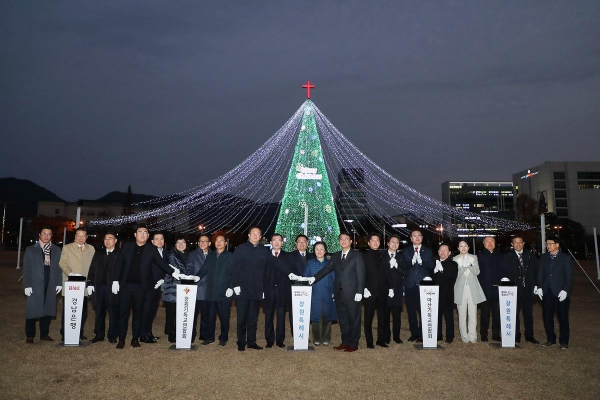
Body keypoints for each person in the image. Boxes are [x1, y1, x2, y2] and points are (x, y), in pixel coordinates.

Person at [231, 226, 297, 351]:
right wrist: (235, 285)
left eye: (258, 234)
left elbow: (276, 263)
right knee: (241, 318)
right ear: (249, 235)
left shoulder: (263, 251)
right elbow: (234, 268)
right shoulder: (240, 249)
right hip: (242, 289)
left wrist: (289, 273)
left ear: (260, 237)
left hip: (256, 290)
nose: (255, 235)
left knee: (253, 318)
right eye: (253, 233)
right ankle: (241, 342)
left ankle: (251, 341)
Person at [112, 225, 177, 349]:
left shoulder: (151, 249)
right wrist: (115, 281)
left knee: (138, 314)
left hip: (141, 288)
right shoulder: (127, 247)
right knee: (123, 314)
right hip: (125, 287)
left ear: (148, 236)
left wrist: (174, 273)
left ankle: (135, 339)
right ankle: (121, 340)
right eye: (140, 232)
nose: (142, 234)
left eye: (145, 232)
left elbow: (162, 263)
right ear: (135, 235)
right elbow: (119, 264)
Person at [309, 232, 366, 352]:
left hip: (352, 294)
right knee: (343, 319)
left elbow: (361, 275)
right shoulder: (335, 256)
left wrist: (359, 292)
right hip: (339, 294)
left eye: (346, 239)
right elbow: (326, 269)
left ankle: (353, 343)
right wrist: (314, 278)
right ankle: (345, 341)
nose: (343, 241)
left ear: (350, 241)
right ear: (339, 242)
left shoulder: (357, 256)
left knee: (354, 319)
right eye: (341, 239)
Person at [22, 226, 63, 343]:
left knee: (47, 310)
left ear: (52, 236)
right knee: (32, 310)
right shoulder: (31, 249)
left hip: (50, 284)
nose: (46, 236)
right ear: (39, 234)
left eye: (49, 234)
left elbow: (58, 268)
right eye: (44, 234)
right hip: (35, 284)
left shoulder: (56, 250)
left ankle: (44, 334)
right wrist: (27, 285)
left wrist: (59, 283)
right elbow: (27, 268)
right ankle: (30, 335)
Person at [196, 235, 234, 346]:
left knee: (224, 317)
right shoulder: (211, 255)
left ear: (225, 243)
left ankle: (223, 337)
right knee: (210, 317)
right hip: (211, 292)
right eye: (217, 241)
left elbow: (234, 273)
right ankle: (209, 337)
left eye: (221, 241)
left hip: (224, 293)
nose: (219, 243)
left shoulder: (231, 256)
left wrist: (231, 287)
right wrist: (196, 278)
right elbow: (204, 269)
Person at [59, 226, 95, 340]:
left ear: (86, 237)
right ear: (75, 237)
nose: (80, 238)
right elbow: (63, 263)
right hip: (70, 285)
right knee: (68, 311)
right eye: (78, 236)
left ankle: (79, 332)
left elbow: (93, 267)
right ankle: (65, 333)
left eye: (83, 236)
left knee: (82, 311)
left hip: (84, 286)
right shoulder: (67, 248)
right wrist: (71, 274)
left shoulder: (91, 249)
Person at [536, 236, 573, 349]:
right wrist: (539, 286)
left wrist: (565, 290)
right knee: (547, 317)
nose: (548, 246)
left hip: (560, 292)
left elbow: (569, 276)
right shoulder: (543, 257)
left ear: (557, 245)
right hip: (547, 291)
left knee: (562, 317)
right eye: (547, 244)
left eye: (550, 244)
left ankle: (564, 341)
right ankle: (550, 339)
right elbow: (540, 273)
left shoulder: (565, 258)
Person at [503, 235, 540, 344]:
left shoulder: (530, 255)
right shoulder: (507, 256)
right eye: (515, 242)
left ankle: (529, 335)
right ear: (512, 244)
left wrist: (537, 285)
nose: (518, 244)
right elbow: (505, 272)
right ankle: (516, 335)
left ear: (523, 243)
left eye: (520, 242)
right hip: (514, 290)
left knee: (528, 314)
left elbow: (536, 270)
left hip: (528, 289)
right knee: (514, 314)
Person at [401, 230, 434, 342]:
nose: (417, 237)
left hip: (423, 284)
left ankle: (422, 333)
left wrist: (421, 262)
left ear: (422, 237)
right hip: (410, 284)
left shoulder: (428, 251)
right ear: (411, 238)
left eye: (419, 235)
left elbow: (431, 266)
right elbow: (404, 266)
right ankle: (414, 333)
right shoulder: (406, 251)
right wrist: (411, 262)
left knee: (423, 310)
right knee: (411, 310)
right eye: (414, 236)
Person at [87, 232, 120, 344]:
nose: (107, 241)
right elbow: (91, 270)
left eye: (110, 238)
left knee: (113, 312)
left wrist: (118, 282)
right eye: (105, 238)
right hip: (99, 288)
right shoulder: (98, 254)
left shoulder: (120, 254)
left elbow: (124, 271)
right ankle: (99, 334)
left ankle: (112, 335)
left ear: (115, 241)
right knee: (99, 312)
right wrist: (90, 284)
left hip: (113, 288)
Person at [362, 233, 394, 349]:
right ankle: (369, 341)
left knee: (382, 317)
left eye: (377, 240)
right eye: (373, 240)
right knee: (368, 317)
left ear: (379, 243)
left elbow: (388, 273)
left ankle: (381, 340)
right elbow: (361, 274)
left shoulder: (384, 256)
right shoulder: (364, 256)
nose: (375, 242)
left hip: (382, 291)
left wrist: (391, 288)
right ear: (369, 243)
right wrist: (364, 287)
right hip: (369, 291)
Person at [263, 233, 294, 348]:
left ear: (282, 242)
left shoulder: (288, 256)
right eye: (274, 240)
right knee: (268, 316)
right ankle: (269, 340)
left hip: (282, 291)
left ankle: (280, 340)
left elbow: (292, 272)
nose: (276, 242)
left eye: (279, 240)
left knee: (281, 317)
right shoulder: (265, 256)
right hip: (268, 291)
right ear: (270, 242)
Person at [303, 241, 337, 346]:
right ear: (314, 251)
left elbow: (334, 279)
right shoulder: (310, 263)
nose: (319, 251)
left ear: (325, 251)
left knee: (327, 316)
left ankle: (326, 337)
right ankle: (316, 338)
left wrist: (334, 292)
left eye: (321, 249)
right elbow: (305, 278)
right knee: (315, 316)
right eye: (317, 249)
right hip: (315, 294)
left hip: (328, 293)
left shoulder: (330, 263)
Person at [453, 240, 486, 343]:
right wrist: (463, 267)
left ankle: (473, 336)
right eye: (461, 246)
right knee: (462, 315)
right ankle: (464, 336)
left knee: (473, 314)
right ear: (458, 248)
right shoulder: (455, 259)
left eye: (465, 246)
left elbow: (477, 271)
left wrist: (470, 266)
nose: (463, 248)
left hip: (472, 289)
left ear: (468, 247)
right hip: (460, 289)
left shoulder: (474, 257)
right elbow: (456, 275)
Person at [140, 232, 168, 343]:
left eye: (161, 239)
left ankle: (149, 332)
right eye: (157, 239)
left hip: (159, 286)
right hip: (149, 286)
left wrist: (163, 279)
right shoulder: (148, 252)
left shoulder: (166, 253)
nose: (159, 241)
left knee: (152, 311)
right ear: (152, 241)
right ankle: (143, 335)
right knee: (145, 310)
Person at [477, 236, 504, 342]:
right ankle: (483, 334)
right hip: (484, 290)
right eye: (487, 241)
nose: (490, 243)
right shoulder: (479, 256)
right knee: (485, 314)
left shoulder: (501, 256)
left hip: (498, 289)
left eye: (492, 241)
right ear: (484, 243)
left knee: (497, 314)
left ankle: (496, 334)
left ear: (495, 243)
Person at [164, 236, 190, 343]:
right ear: (175, 245)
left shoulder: (189, 255)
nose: (180, 244)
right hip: (172, 288)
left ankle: (177, 331)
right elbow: (176, 269)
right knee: (171, 312)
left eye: (183, 242)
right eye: (178, 242)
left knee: (181, 312)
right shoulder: (171, 255)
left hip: (185, 288)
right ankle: (171, 333)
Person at [186, 234, 211, 343]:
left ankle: (204, 334)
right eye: (200, 241)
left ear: (209, 243)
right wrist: (192, 277)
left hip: (208, 289)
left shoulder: (213, 254)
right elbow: (190, 268)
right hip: (196, 288)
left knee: (206, 314)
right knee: (193, 314)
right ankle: (191, 335)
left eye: (205, 241)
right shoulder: (192, 254)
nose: (202, 243)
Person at [383, 235, 408, 344]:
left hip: (397, 290)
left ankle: (396, 336)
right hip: (385, 289)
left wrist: (397, 266)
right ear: (388, 243)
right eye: (392, 242)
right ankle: (387, 336)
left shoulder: (401, 257)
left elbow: (405, 272)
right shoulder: (382, 256)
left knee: (397, 315)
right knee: (386, 315)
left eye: (397, 242)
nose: (394, 244)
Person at [434, 243, 458, 344]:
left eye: (444, 250)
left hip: (447, 294)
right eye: (440, 250)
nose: (442, 252)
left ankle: (449, 336)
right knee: (437, 315)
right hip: (436, 293)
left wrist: (442, 271)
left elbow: (452, 277)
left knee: (448, 316)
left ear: (449, 253)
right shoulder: (434, 263)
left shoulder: (453, 264)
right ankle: (438, 335)